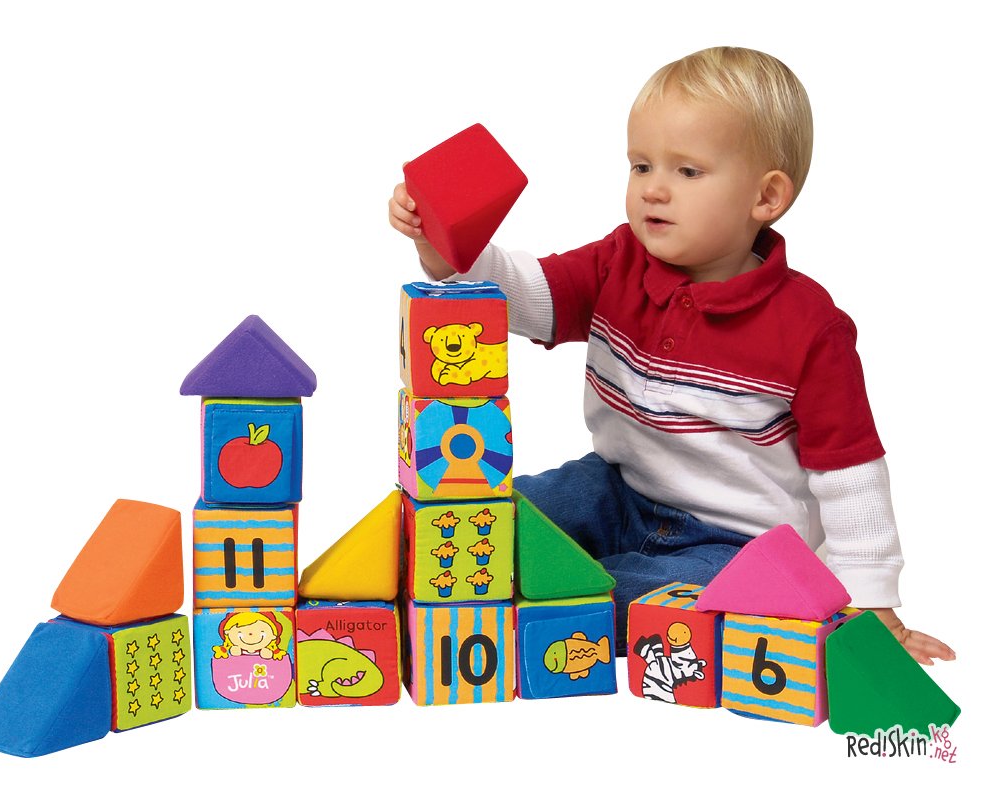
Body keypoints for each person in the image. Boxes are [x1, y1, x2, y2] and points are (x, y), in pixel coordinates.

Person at [388, 46, 953, 663]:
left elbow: (851, 475)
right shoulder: (619, 261)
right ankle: (407, 588)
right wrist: (447, 249)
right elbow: (525, 296)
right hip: (618, 489)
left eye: (687, 171)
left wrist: (871, 601)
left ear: (765, 197)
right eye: (641, 166)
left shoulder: (810, 326)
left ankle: (531, 606)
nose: (653, 189)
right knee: (488, 520)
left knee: (632, 603)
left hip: (737, 542)